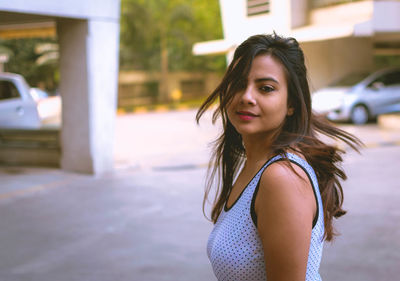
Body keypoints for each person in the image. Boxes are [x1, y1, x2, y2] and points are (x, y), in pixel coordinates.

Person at [196, 33, 362, 281]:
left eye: (266, 88)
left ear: (291, 103)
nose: (246, 97)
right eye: (239, 84)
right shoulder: (255, 164)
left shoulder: (281, 178)